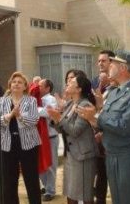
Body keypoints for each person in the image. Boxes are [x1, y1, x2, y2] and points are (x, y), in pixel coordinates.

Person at [78, 50, 130, 204]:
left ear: (123, 68)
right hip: (112, 154)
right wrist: (92, 119)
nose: (109, 65)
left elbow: (124, 127)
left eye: (113, 63)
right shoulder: (115, 92)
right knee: (118, 199)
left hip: (128, 156)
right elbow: (108, 121)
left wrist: (97, 117)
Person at [48, 75, 98, 204]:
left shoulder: (85, 105)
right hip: (71, 154)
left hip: (82, 156)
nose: (68, 83)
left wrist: (59, 118)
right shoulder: (70, 103)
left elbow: (75, 131)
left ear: (79, 89)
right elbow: (63, 129)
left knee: (84, 194)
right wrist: (55, 119)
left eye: (72, 82)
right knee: (71, 193)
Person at [0, 72, 41, 204]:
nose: (16, 84)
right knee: (9, 180)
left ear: (25, 87)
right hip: (8, 145)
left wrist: (19, 116)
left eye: (19, 82)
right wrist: (10, 115)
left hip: (28, 145)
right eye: (14, 82)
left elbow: (34, 120)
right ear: (10, 85)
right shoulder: (2, 101)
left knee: (31, 179)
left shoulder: (31, 100)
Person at [90, 50, 114, 204]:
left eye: (103, 61)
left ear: (112, 63)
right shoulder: (94, 83)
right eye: (99, 61)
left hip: (113, 141)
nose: (100, 64)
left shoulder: (118, 86)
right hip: (98, 142)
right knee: (100, 178)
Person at [38, 79, 58, 201]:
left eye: (40, 86)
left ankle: (50, 191)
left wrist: (34, 108)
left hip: (51, 138)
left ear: (47, 88)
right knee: (41, 164)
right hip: (40, 138)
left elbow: (47, 113)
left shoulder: (51, 99)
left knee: (50, 165)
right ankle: (46, 186)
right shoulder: (36, 99)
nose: (37, 88)